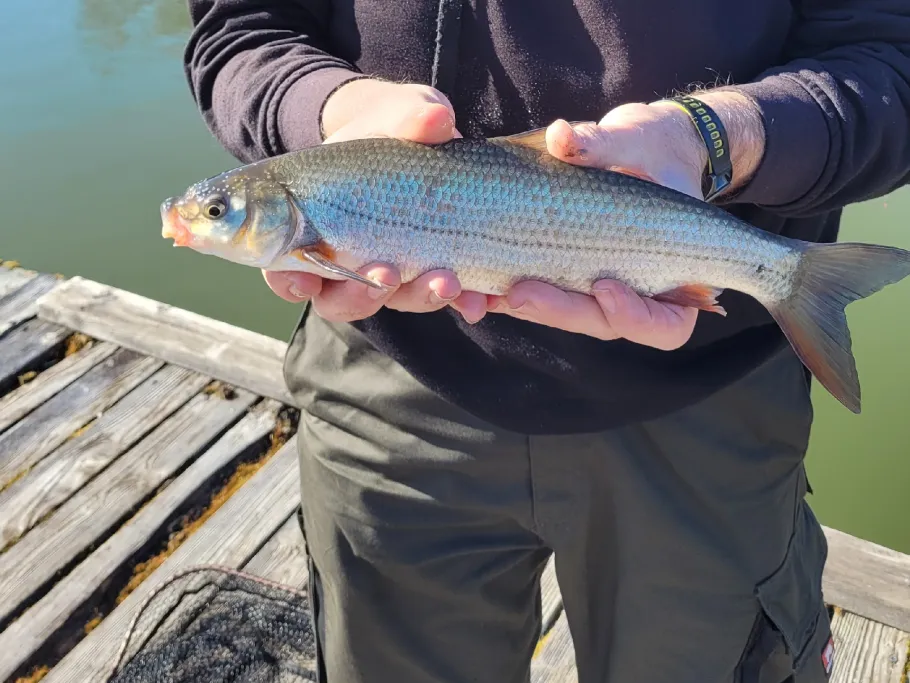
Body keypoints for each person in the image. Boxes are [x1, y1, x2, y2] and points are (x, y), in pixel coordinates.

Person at [182, 2, 910, 681]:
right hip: (385, 373)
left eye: (219, 212)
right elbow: (242, 30)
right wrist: (327, 108)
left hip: (710, 387)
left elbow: (889, 60)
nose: (207, 221)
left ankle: (783, 278)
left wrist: (719, 135)